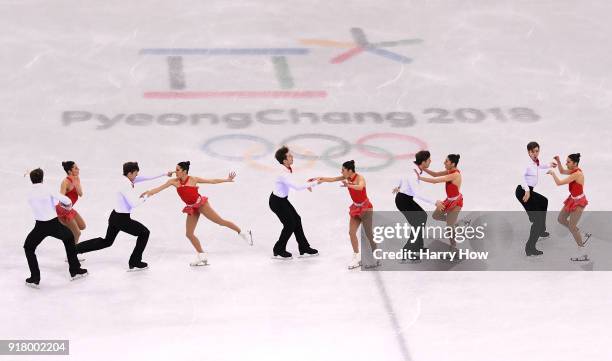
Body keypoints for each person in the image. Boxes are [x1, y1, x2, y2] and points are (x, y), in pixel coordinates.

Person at [142, 161, 253, 267]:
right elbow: (159, 189)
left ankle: (243, 233)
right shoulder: (173, 182)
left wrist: (227, 179)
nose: (175, 172)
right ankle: (202, 256)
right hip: (191, 208)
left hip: (201, 204)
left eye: (178, 170)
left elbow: (212, 181)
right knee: (189, 234)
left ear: (184, 171)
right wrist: (148, 193)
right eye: (175, 170)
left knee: (220, 221)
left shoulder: (193, 179)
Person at [75, 162, 170, 271]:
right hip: (122, 219)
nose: (137, 176)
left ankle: (75, 249)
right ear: (130, 173)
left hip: (115, 216)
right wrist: (147, 195)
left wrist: (164, 173)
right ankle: (135, 262)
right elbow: (133, 204)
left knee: (107, 241)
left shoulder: (126, 178)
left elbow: (146, 177)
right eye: (135, 174)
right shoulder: (125, 185)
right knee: (144, 233)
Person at [24, 168, 87, 288]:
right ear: (42, 178)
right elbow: (66, 200)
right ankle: (75, 271)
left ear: (31, 180)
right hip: (53, 224)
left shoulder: (29, 192)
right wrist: (67, 207)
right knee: (69, 238)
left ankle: (35, 278)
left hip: (40, 226)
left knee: (28, 248)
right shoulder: (48, 189)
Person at [311, 160, 378, 269]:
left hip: (366, 208)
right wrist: (320, 179)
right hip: (356, 208)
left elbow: (360, 187)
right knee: (351, 233)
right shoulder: (346, 177)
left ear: (350, 171)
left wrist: (349, 185)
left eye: (343, 170)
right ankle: (357, 256)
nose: (341, 172)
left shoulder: (360, 178)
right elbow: (333, 179)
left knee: (368, 234)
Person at [269, 146, 319, 260]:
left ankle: (304, 248)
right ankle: (278, 250)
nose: (292, 157)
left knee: (297, 219)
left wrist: (306, 184)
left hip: (282, 200)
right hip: (277, 202)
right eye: (290, 156)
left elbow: (295, 182)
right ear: (284, 160)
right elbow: (296, 186)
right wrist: (314, 183)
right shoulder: (283, 173)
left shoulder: (286, 169)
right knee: (290, 224)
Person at [547, 153, 590, 262]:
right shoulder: (574, 170)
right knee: (561, 219)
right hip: (572, 199)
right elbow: (561, 172)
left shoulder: (577, 174)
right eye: (566, 161)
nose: (566, 163)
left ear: (575, 163)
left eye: (568, 162)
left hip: (579, 202)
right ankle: (582, 234)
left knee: (572, 226)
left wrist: (552, 173)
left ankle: (583, 253)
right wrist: (559, 161)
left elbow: (559, 182)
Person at [515, 141, 556, 256]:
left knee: (544, 201)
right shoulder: (527, 163)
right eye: (533, 151)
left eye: (537, 151)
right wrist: (527, 191)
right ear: (529, 152)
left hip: (529, 191)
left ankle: (541, 230)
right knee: (537, 220)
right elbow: (521, 176)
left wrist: (549, 165)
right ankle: (530, 248)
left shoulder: (535, 162)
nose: (535, 153)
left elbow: (539, 166)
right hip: (523, 191)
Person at [392, 150, 435, 260]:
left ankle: (417, 247)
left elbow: (401, 176)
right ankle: (407, 251)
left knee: (422, 217)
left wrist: (398, 185)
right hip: (403, 201)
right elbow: (418, 193)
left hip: (406, 199)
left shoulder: (413, 167)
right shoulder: (413, 174)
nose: (430, 161)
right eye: (429, 159)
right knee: (417, 223)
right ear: (424, 162)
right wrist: (435, 202)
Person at [415, 154, 463, 249]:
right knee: (435, 215)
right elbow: (435, 174)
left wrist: (419, 178)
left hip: (456, 203)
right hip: (448, 200)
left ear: (452, 164)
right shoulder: (450, 171)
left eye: (446, 161)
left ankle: (453, 248)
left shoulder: (454, 175)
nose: (444, 162)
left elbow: (435, 181)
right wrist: (423, 168)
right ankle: (454, 222)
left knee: (449, 227)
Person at [56, 161, 86, 245]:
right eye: (75, 168)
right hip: (63, 210)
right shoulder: (65, 182)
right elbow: (61, 198)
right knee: (77, 233)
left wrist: (76, 184)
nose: (78, 169)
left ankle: (65, 229)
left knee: (82, 226)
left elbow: (80, 194)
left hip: (69, 208)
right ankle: (72, 254)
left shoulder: (77, 179)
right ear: (69, 171)